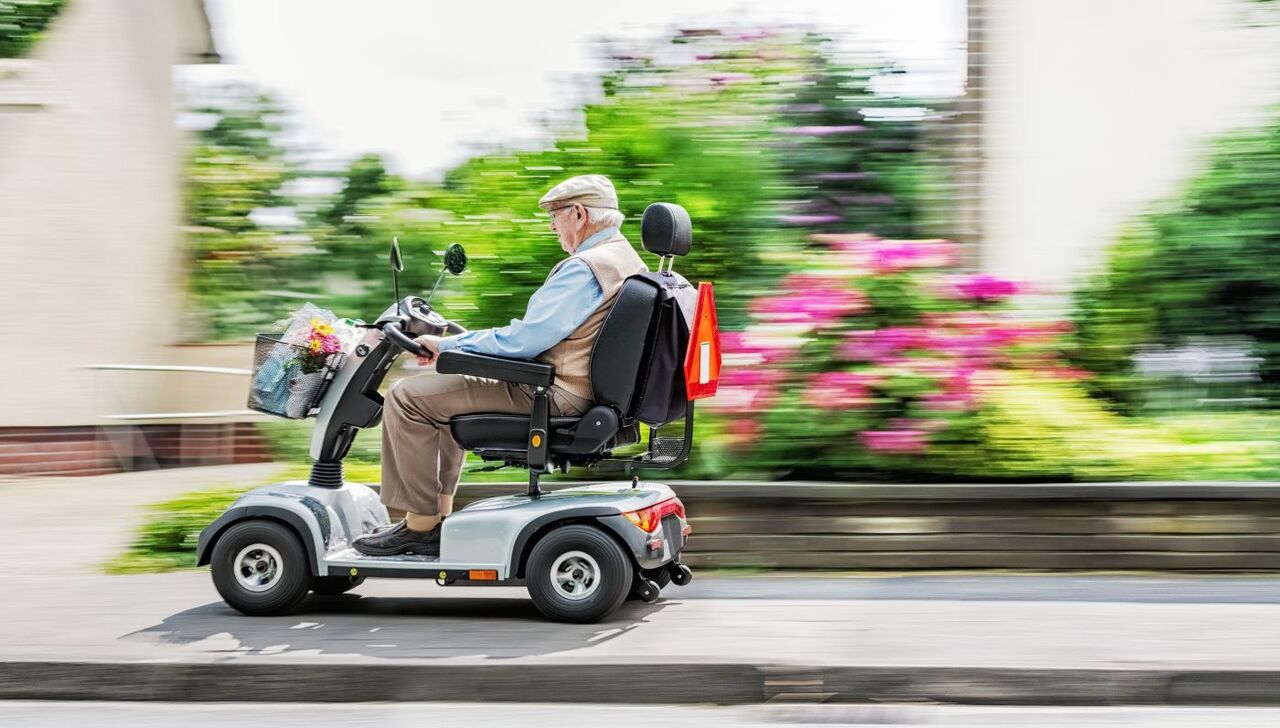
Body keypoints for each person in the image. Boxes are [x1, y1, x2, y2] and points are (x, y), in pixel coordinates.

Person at [353, 175, 649, 556]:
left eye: (554, 216)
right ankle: (436, 518)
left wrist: (446, 345)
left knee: (406, 397)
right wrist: (457, 347)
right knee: (439, 392)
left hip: (552, 393)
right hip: (580, 391)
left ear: (578, 214)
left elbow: (524, 341)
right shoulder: (627, 261)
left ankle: (421, 527)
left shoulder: (585, 268)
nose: (552, 227)